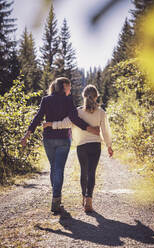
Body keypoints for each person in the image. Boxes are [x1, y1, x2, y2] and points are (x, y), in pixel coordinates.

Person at [21, 77, 99, 213]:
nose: (70, 90)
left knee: (54, 168)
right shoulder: (68, 100)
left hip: (48, 139)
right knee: (58, 169)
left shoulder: (46, 99)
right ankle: (56, 199)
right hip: (63, 139)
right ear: (64, 86)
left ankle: (56, 197)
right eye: (69, 87)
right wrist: (89, 128)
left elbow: (38, 117)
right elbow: (74, 118)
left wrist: (27, 135)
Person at [43, 84, 113, 212]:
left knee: (84, 172)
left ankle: (83, 198)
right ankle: (89, 200)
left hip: (81, 147)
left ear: (83, 96)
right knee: (92, 173)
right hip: (95, 146)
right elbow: (105, 131)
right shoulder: (101, 112)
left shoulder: (77, 112)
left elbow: (65, 123)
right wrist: (109, 145)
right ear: (96, 96)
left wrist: (51, 124)